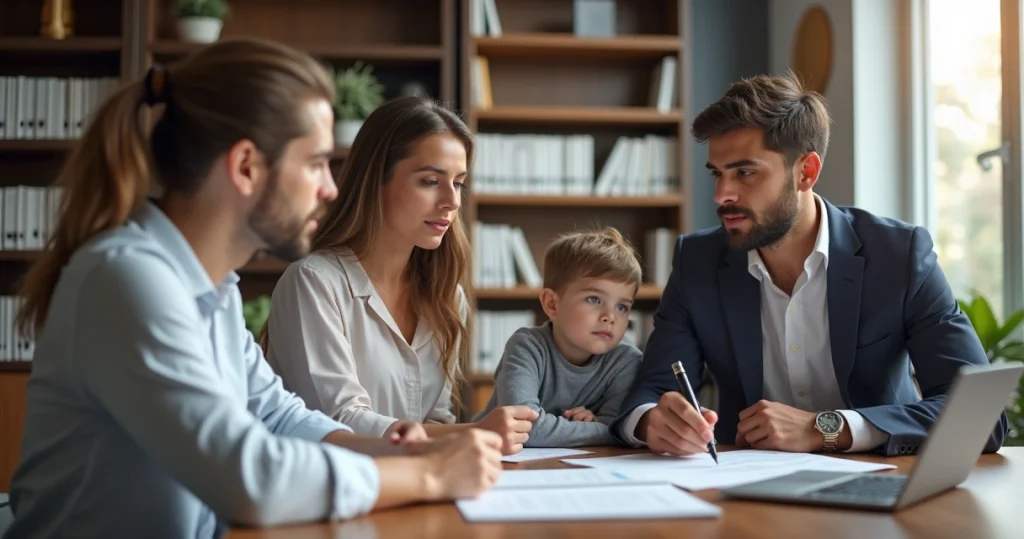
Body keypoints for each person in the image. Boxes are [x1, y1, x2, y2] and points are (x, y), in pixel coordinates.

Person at [3, 38, 503, 539]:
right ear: (246, 168)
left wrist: (389, 446)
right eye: (314, 164)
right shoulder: (128, 280)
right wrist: (429, 473)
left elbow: (275, 413)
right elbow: (250, 479)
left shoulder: (213, 289)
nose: (330, 188)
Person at [610, 73, 1008, 458]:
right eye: (717, 173)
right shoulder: (696, 261)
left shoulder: (899, 255)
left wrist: (826, 428)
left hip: (880, 485)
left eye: (745, 172)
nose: (722, 194)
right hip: (744, 491)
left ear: (806, 172)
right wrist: (651, 423)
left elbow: (980, 417)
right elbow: (653, 390)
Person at [259, 96, 537, 455]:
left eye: (458, 183)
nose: (451, 202)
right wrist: (475, 432)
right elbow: (338, 421)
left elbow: (435, 418)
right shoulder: (313, 283)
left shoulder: (446, 295)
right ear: (377, 180)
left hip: (412, 489)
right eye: (430, 181)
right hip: (329, 494)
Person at [475, 227, 644, 447]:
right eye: (594, 299)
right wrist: (595, 428)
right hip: (493, 458)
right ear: (551, 304)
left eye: (622, 306)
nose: (610, 316)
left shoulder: (627, 360)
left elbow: (619, 428)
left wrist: (604, 428)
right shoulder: (526, 346)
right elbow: (525, 427)